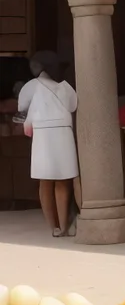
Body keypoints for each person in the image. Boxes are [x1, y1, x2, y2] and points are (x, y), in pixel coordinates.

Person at [17, 51, 78, 238]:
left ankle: (54, 227)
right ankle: (64, 226)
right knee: (63, 181)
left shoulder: (30, 86)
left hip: (43, 135)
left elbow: (21, 108)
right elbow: (73, 106)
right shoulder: (66, 88)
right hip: (63, 133)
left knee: (45, 181)